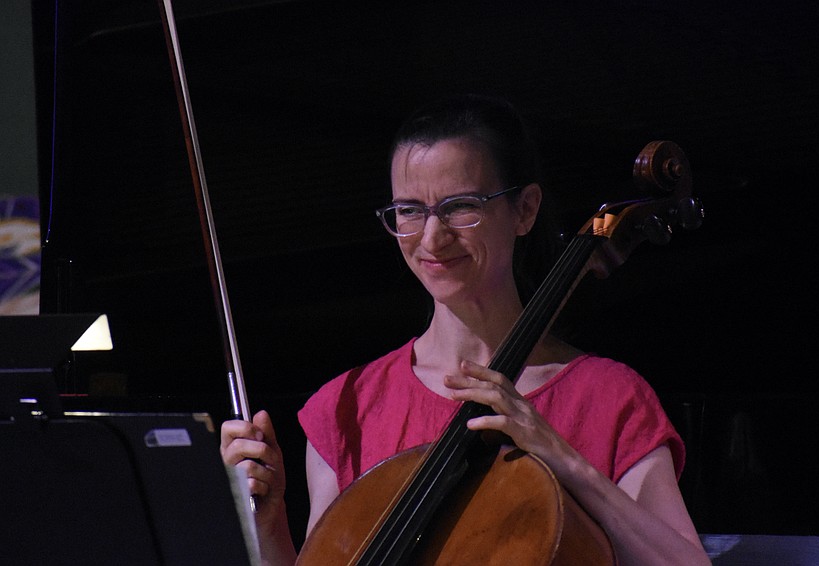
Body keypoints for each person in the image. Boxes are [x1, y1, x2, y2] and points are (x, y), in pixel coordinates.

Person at [220, 93, 710, 565]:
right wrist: (266, 526)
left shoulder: (609, 397)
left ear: (525, 209)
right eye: (410, 210)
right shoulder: (346, 406)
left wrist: (563, 457)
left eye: (460, 206)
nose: (432, 237)